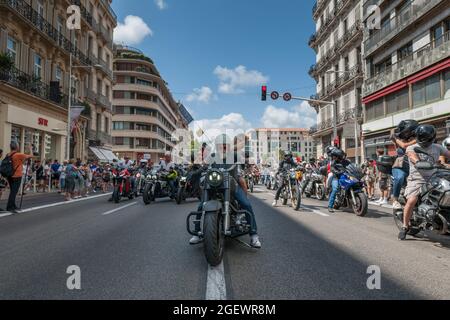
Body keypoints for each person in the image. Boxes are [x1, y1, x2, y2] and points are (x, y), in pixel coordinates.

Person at [189, 134, 261, 248]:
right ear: (217, 146)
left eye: (225, 145)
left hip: (231, 184)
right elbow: (203, 166)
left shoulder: (234, 155)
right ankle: (197, 232)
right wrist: (194, 173)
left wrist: (249, 161)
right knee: (201, 205)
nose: (222, 147)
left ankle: (254, 235)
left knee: (246, 204)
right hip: (214, 184)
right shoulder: (212, 156)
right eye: (220, 145)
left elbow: (246, 160)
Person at [398, 125, 450, 240]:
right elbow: (412, 157)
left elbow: (448, 154)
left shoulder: (437, 147)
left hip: (435, 177)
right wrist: (417, 162)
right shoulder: (411, 148)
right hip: (417, 179)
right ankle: (405, 226)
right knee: (412, 200)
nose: (423, 142)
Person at [390, 120, 418, 209]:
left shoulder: (419, 137)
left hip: (415, 167)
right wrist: (416, 141)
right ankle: (395, 200)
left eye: (407, 131)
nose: (406, 133)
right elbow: (404, 146)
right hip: (401, 166)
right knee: (400, 177)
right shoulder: (397, 138)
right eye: (405, 131)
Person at [5, 141, 33, 213]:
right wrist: (30, 148)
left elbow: (20, 162)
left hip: (10, 175)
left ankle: (13, 205)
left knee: (13, 191)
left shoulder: (8, 154)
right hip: (17, 175)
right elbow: (31, 156)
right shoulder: (18, 154)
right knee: (14, 192)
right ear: (17, 147)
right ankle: (10, 207)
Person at [328, 148, 351, 213]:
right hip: (336, 177)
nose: (343, 156)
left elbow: (351, 166)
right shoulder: (334, 162)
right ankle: (330, 206)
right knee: (335, 189)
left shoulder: (346, 161)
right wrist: (337, 171)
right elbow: (332, 169)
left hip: (345, 176)